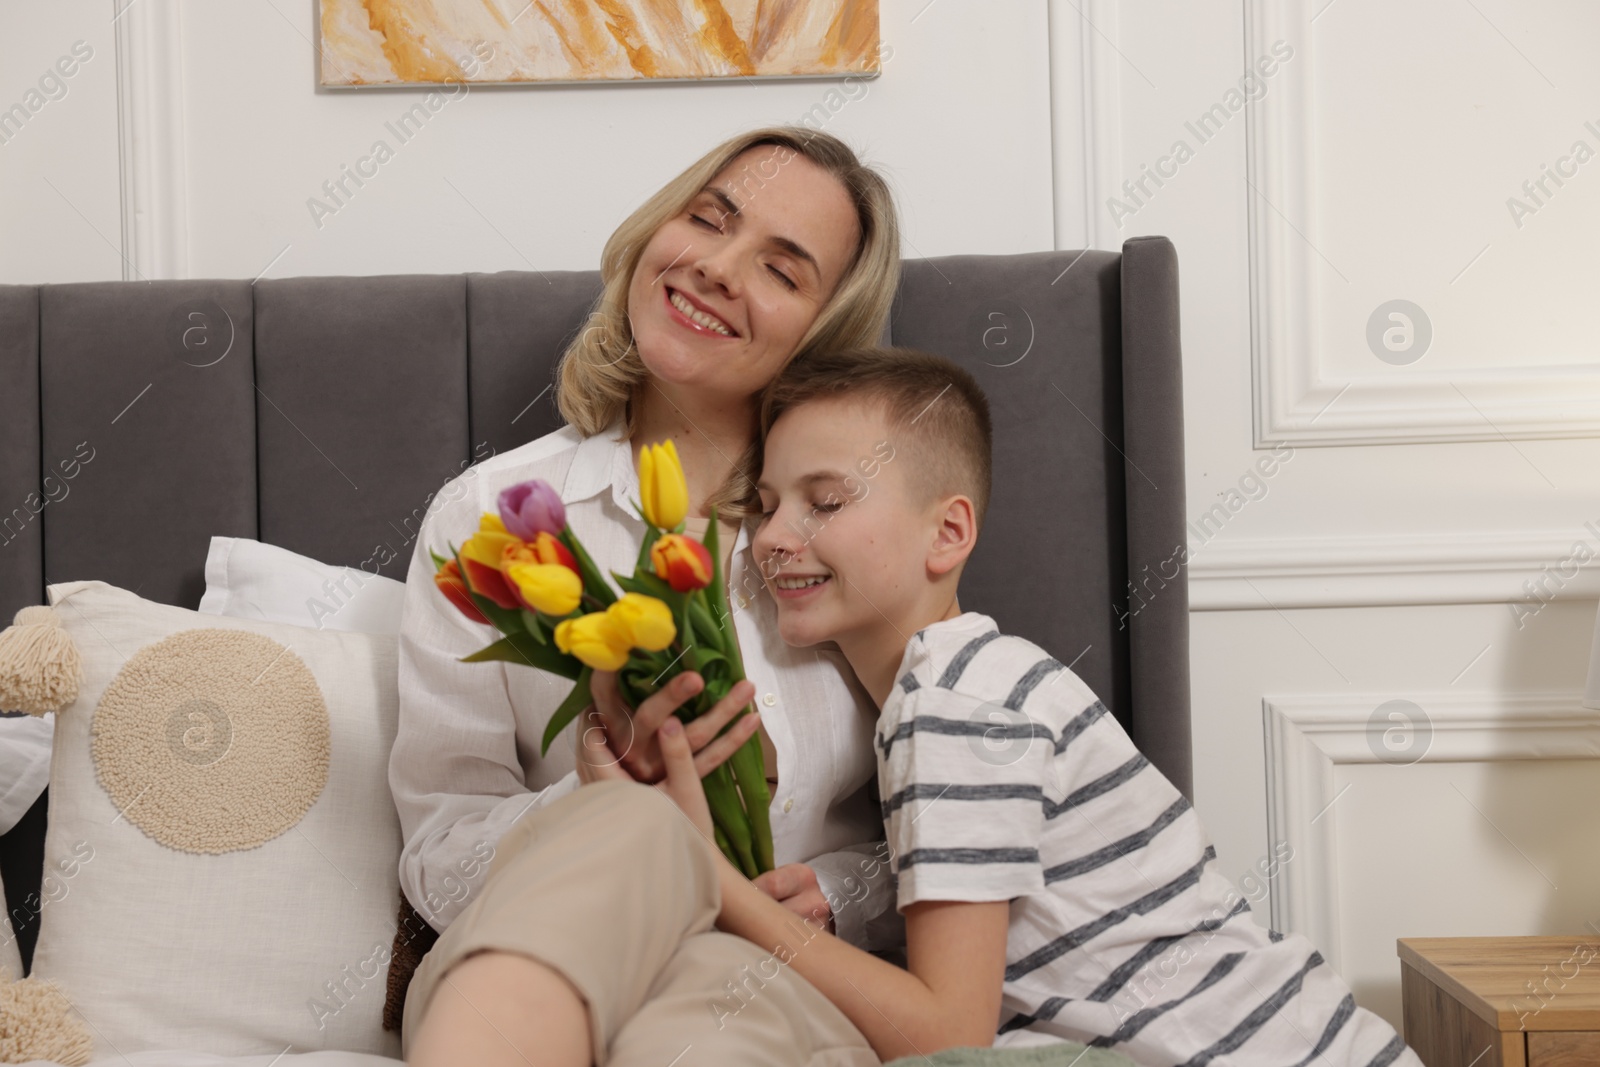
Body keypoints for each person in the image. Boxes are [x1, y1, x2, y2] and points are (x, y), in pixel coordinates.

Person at [643, 345, 1426, 1066]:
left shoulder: (948, 706)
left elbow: (948, 1035)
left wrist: (719, 887)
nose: (773, 536)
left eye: (825, 501)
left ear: (947, 532)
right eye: (768, 503)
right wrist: (865, 894)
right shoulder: (982, 678)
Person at [395, 126, 908, 1064]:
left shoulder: (865, 535)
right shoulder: (491, 519)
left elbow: (945, 818)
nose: (715, 267)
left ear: (821, 335)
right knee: (630, 829)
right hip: (540, 949)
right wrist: (592, 801)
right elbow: (437, 860)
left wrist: (841, 891)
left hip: (764, 972)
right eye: (709, 221)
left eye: (781, 271)